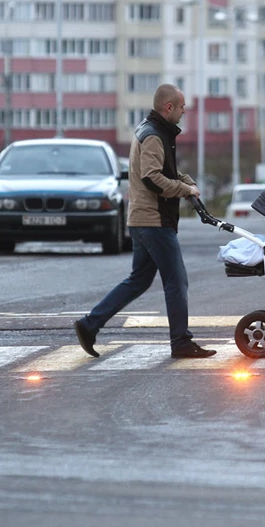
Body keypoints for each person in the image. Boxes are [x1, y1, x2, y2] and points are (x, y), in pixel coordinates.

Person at [73, 84, 217, 359]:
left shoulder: (153, 130)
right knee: (176, 281)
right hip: (154, 221)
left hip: (142, 219)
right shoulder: (154, 135)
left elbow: (166, 171)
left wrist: (187, 183)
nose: (185, 112)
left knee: (138, 280)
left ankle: (90, 324)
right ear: (169, 107)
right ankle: (181, 342)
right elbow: (152, 178)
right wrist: (185, 190)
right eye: (182, 106)